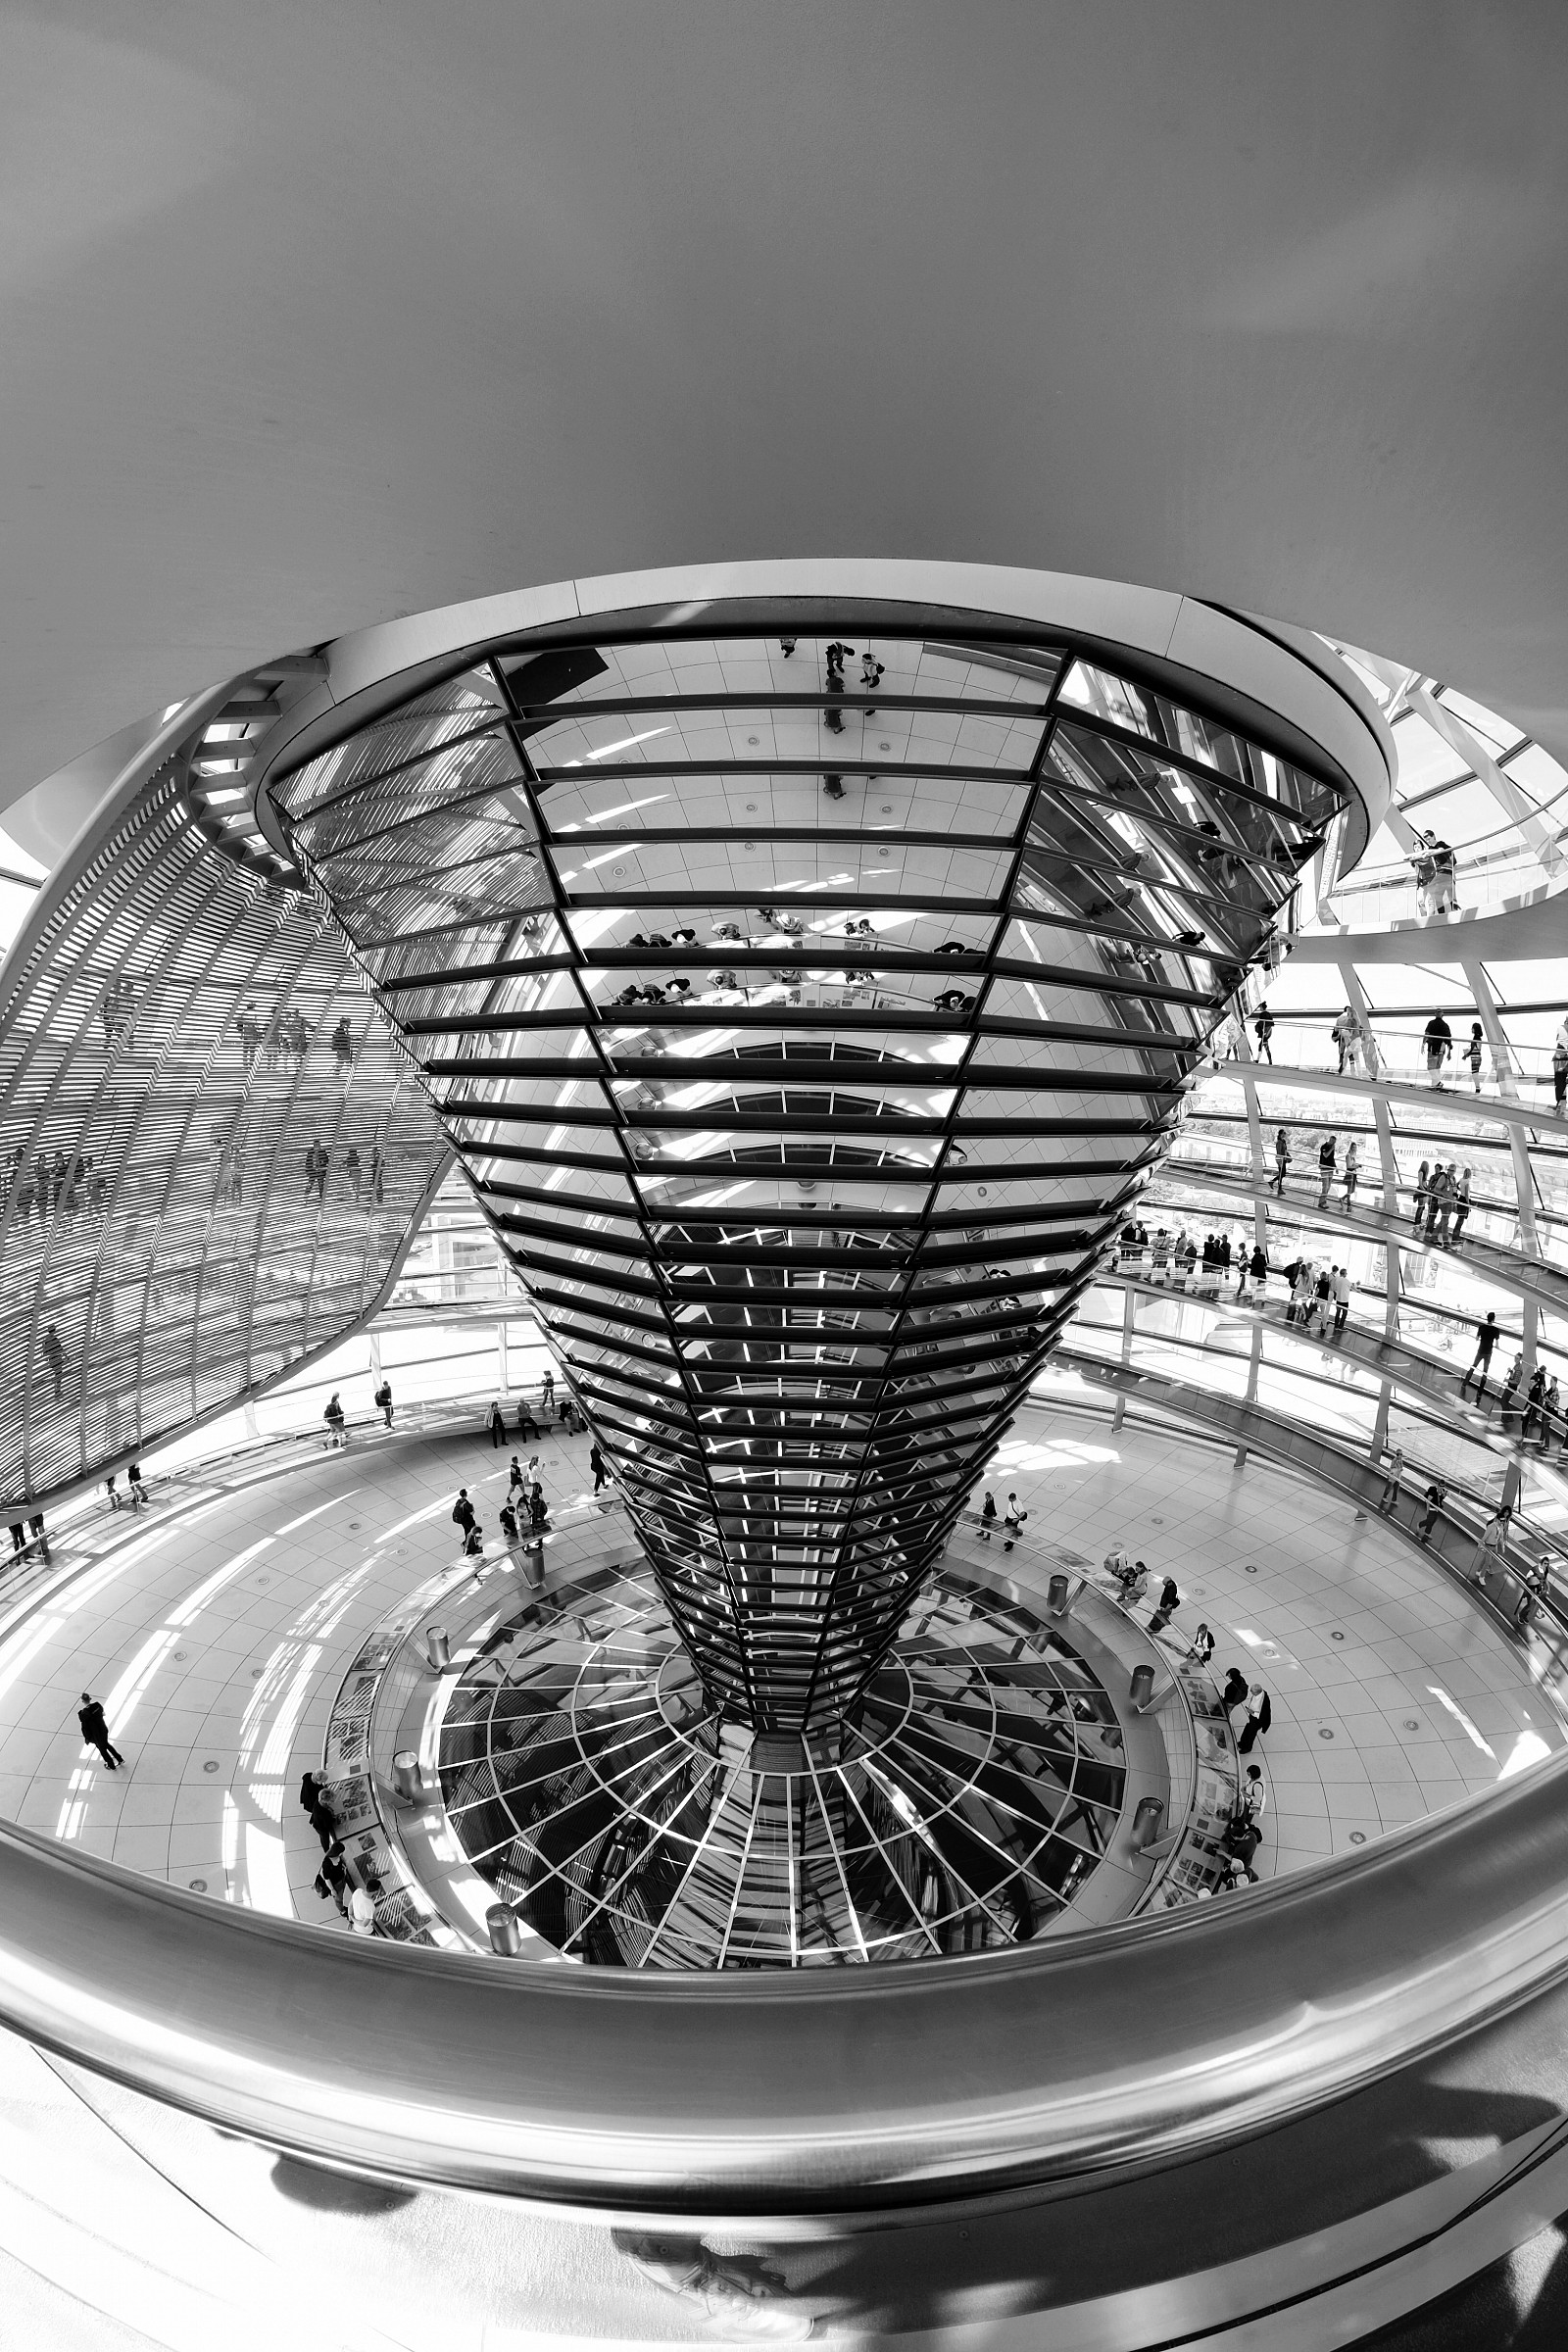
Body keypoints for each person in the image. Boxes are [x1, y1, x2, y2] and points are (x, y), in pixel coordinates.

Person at [1459, 1311, 1500, 1401]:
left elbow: (1476, 1338)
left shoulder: (1482, 1327)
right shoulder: (1496, 1330)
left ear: (1487, 1318)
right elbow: (1497, 1345)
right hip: (1488, 1352)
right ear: (1493, 1319)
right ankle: (1480, 1392)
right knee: (1485, 1372)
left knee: (1473, 1367)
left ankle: (1465, 1383)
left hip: (1480, 1350)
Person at [1469, 1500, 1513, 1587]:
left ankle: (1478, 1570)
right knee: (1487, 1561)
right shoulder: (1491, 1526)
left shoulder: (1501, 1525)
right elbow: (1484, 1537)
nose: (1502, 1522)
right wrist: (1480, 1545)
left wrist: (1502, 1543)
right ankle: (1482, 1576)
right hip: (1488, 1545)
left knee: (1487, 1559)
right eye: (1501, 1521)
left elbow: (1501, 1535)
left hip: (1494, 1545)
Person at [77, 1691, 124, 1770]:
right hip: (103, 1729)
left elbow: (85, 1727)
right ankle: (119, 1759)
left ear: (82, 1701)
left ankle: (111, 1765)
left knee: (102, 1749)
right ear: (90, 1698)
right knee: (106, 1744)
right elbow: (103, 1714)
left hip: (96, 1734)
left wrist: (87, 1738)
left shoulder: (84, 1713)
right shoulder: (97, 1705)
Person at [1237, 1684, 1271, 1754]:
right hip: (1252, 1717)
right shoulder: (1259, 1694)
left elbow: (1263, 1715)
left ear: (1256, 1692)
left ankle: (1247, 1748)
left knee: (1251, 1734)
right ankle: (1242, 1742)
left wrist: (1252, 1712)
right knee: (1246, 1730)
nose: (1250, 1692)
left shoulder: (1264, 1702)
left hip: (1257, 1721)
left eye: (1252, 1691)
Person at [1423, 1008, 1452, 1088]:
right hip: (1442, 1048)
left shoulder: (1432, 1023)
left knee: (1431, 1067)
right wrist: (1449, 1052)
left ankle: (1437, 1082)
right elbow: (1449, 1039)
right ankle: (1435, 1085)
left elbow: (1426, 1034)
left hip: (1434, 1047)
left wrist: (1423, 1044)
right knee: (1436, 1068)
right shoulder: (1445, 1025)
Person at [1415, 1481, 1447, 1545]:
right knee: (1430, 1519)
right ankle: (1420, 1524)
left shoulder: (1442, 1491)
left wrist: (1444, 1495)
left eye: (1443, 1486)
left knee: (1433, 1520)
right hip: (1430, 1507)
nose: (1441, 1487)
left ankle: (1427, 1532)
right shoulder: (1433, 1490)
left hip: (1436, 1508)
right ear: (1438, 1485)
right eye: (1440, 1486)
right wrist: (1427, 1510)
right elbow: (1428, 1501)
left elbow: (1440, 1500)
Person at [40, 1322, 64, 1402]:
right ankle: (57, 1391)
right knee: (59, 1374)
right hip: (57, 1358)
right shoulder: (55, 1339)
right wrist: (66, 1356)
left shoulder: (45, 1340)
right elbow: (61, 1350)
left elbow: (44, 1352)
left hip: (51, 1359)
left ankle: (57, 1391)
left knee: (57, 1374)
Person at [1331, 1006, 1356, 1074]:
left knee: (1341, 1053)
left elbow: (1336, 1029)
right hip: (1349, 1038)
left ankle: (1341, 1068)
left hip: (1342, 1037)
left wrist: (1339, 1032)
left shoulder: (1339, 1018)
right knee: (1350, 1053)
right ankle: (1352, 1069)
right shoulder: (1351, 1018)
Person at [1317, 1135, 1336, 1209]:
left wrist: (1335, 1166)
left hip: (1330, 1169)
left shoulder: (1332, 1148)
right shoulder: (1324, 1146)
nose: (1333, 1144)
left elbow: (1331, 1158)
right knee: (1325, 1186)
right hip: (1324, 1169)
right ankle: (1321, 1202)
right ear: (1330, 1140)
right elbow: (1325, 1155)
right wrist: (1331, 1149)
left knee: (1328, 1187)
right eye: (1332, 1142)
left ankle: (1324, 1201)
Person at [1465, 1023, 1485, 1093]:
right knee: (1475, 1073)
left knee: (1475, 1074)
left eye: (1472, 1028)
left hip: (1475, 1058)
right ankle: (1477, 1088)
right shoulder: (1478, 1037)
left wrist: (1466, 1055)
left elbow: (1473, 1048)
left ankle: (1477, 1088)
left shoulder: (1476, 1037)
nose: (1471, 1029)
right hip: (1476, 1057)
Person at [1332, 1264, 1350, 1334]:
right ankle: (1341, 1326)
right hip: (1344, 1300)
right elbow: (1352, 1286)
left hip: (1338, 1298)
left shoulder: (1337, 1278)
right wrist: (1358, 1290)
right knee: (1344, 1313)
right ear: (1344, 1274)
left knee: (1338, 1312)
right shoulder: (1346, 1280)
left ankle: (1336, 1325)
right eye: (1346, 1273)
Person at [1272, 1128, 1290, 1195]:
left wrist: (1288, 1156)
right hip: (1280, 1159)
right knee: (1282, 1173)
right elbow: (1279, 1152)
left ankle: (1277, 1186)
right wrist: (1282, 1159)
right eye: (1284, 1133)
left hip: (1283, 1158)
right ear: (1281, 1134)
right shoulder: (1279, 1142)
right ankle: (1277, 1186)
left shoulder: (1283, 1141)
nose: (1285, 1135)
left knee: (1282, 1173)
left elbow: (1285, 1150)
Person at [1412, 1160, 1429, 1227]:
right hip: (1421, 1191)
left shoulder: (1423, 1173)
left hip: (1423, 1190)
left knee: (1422, 1207)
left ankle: (1418, 1220)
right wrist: (1424, 1190)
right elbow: (1420, 1183)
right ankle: (1417, 1221)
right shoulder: (1421, 1172)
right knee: (1420, 1207)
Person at [1342, 1139, 1358, 1206]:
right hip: (1350, 1173)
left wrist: (1356, 1166)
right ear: (1351, 1147)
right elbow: (1348, 1166)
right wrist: (1356, 1167)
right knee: (1349, 1190)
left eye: (1355, 1147)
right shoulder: (1348, 1155)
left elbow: (1352, 1165)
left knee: (1352, 1190)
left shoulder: (1353, 1156)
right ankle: (1348, 1204)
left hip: (1354, 1173)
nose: (1354, 1149)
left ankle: (1342, 1199)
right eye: (1353, 1147)